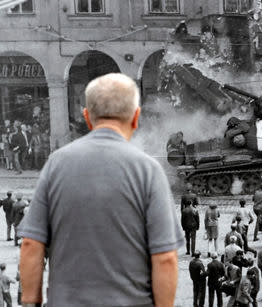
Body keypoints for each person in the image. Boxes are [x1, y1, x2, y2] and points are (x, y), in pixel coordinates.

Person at [18, 73, 184, 306]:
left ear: (87, 117)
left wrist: (29, 302)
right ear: (135, 117)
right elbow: (166, 258)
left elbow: (31, 244)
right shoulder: (149, 170)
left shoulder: (56, 164)